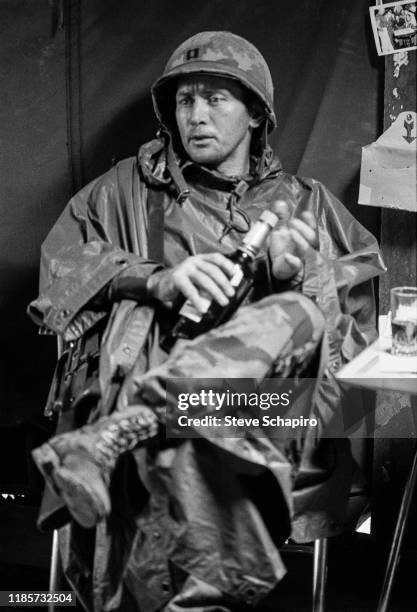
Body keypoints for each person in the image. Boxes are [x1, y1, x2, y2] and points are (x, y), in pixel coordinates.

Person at [29, 32, 385, 611]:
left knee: (294, 313)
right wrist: (154, 280)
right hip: (169, 398)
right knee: (194, 435)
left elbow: (358, 351)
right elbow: (59, 274)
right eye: (184, 101)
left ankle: (142, 422)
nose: (195, 116)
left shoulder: (307, 205)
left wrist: (299, 275)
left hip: (271, 411)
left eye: (216, 99)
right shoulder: (123, 191)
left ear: (255, 115)